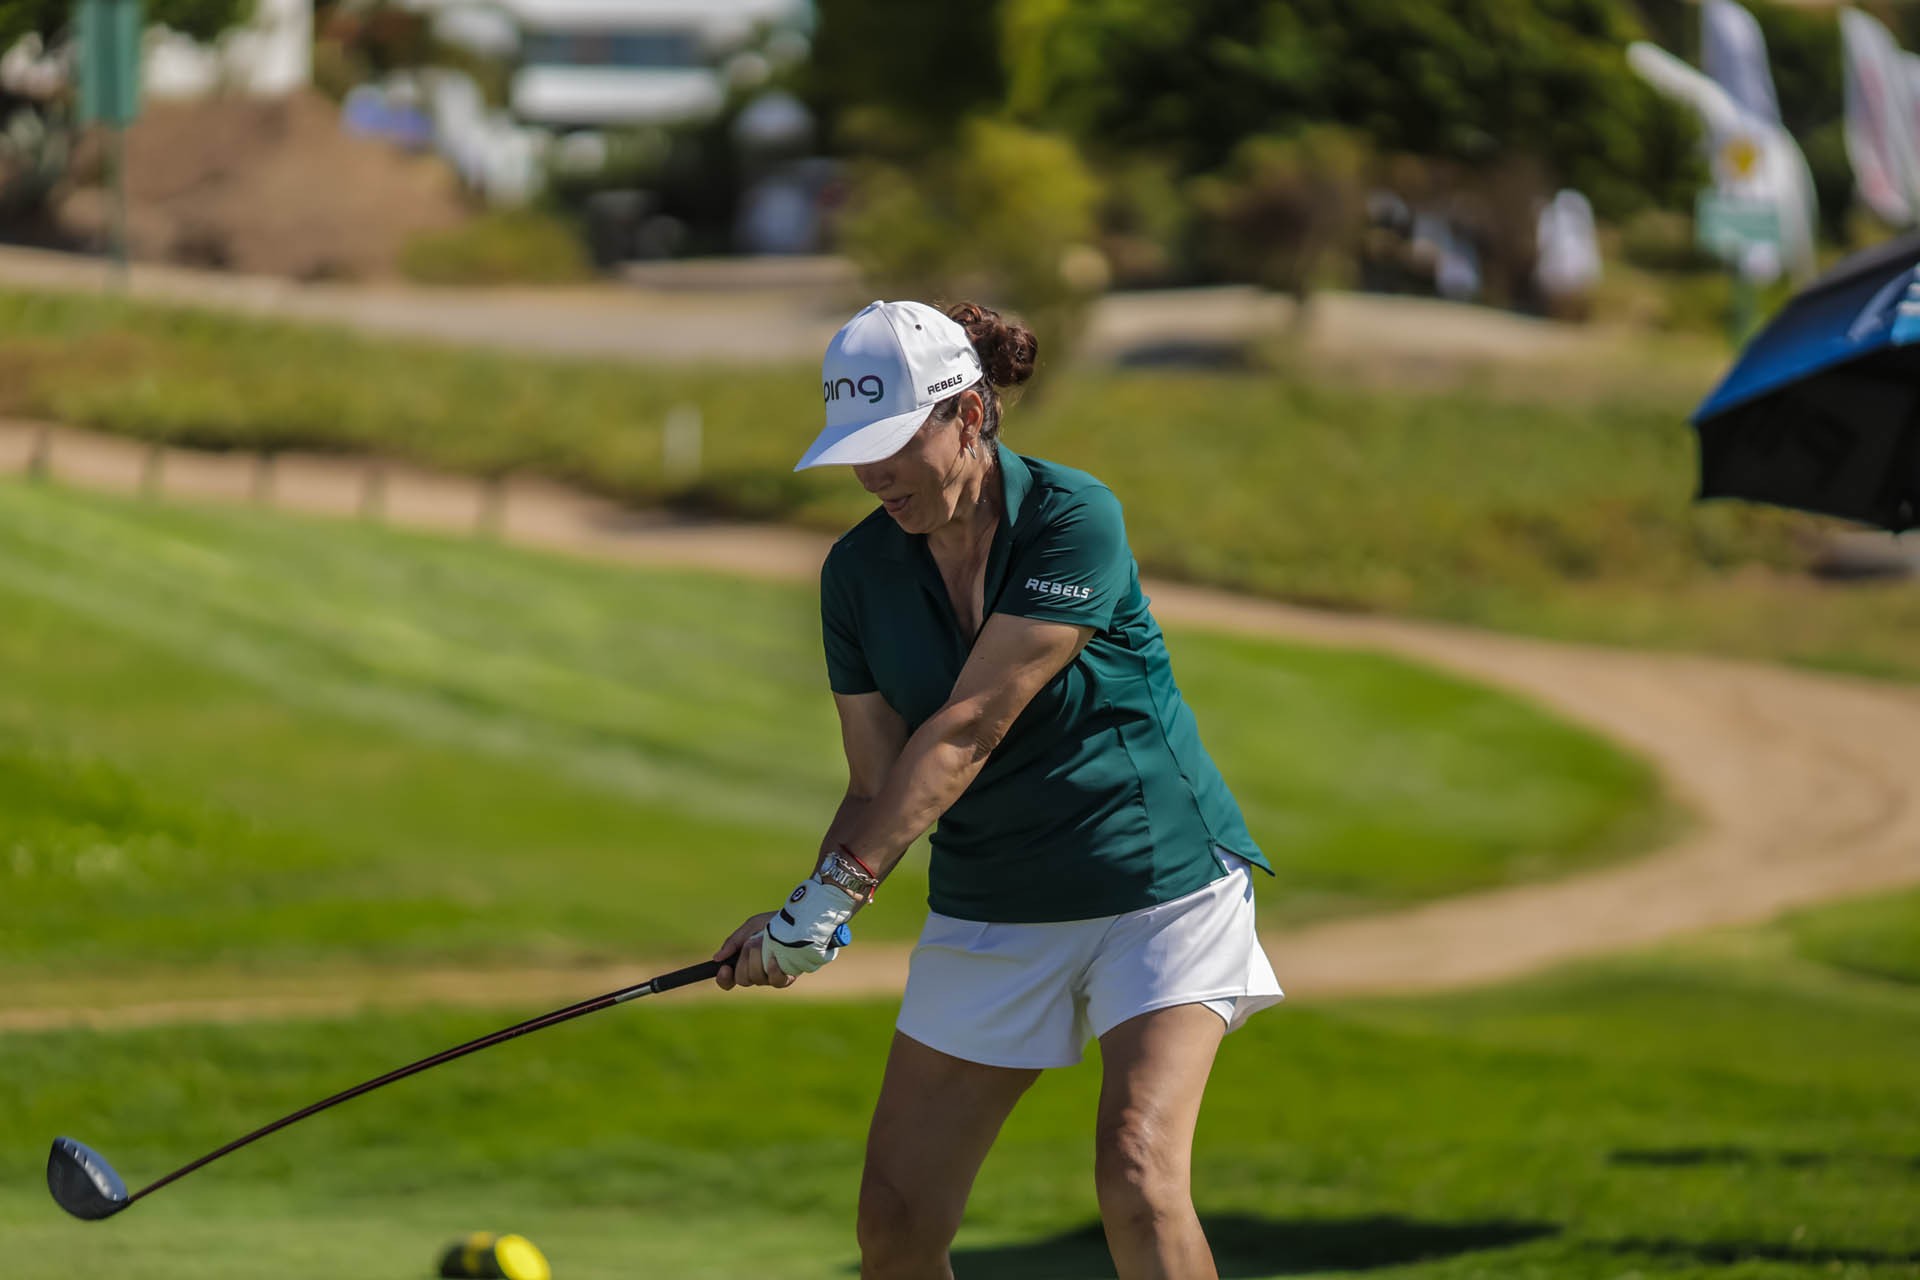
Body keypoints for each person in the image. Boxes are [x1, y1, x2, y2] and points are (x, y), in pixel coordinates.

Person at [712, 300, 1284, 1280]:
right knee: (896, 1223)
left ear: (970, 414)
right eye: (856, 450)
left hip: (1156, 884)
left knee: (1139, 1171)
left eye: (894, 443)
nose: (871, 473)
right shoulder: (856, 574)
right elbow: (875, 780)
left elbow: (970, 725)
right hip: (992, 902)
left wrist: (835, 895)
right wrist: (804, 910)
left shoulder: (1073, 517)